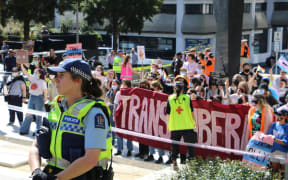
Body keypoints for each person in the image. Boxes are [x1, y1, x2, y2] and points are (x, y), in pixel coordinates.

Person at [29, 58, 113, 180]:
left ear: (78, 80)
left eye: (61, 76)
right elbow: (35, 146)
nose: (55, 79)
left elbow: (90, 160)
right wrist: (36, 171)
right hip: (53, 174)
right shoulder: (55, 107)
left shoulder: (94, 113)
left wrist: (55, 179)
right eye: (56, 75)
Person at [166, 81, 197, 170]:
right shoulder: (187, 97)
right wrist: (194, 122)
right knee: (190, 146)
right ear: (183, 89)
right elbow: (191, 111)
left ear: (174, 88)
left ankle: (174, 162)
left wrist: (169, 125)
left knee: (174, 146)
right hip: (187, 125)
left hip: (175, 126)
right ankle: (191, 165)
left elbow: (168, 113)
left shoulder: (170, 98)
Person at [20, 64, 47, 135]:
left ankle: (38, 131)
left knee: (38, 116)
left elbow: (45, 92)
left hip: (39, 98)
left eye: (36, 72)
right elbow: (25, 72)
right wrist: (22, 65)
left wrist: (45, 100)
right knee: (28, 114)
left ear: (40, 74)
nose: (34, 73)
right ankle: (24, 130)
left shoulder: (43, 82)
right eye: (34, 72)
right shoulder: (32, 78)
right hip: (32, 97)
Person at [114, 79, 133, 157]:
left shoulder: (132, 93)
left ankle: (129, 150)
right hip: (120, 116)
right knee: (119, 133)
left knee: (129, 134)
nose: (122, 86)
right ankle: (119, 149)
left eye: (124, 84)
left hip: (128, 116)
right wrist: (114, 115)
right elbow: (116, 105)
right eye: (122, 84)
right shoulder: (118, 93)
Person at [268, 105, 288, 173]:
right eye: (278, 115)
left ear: (285, 116)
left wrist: (274, 139)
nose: (278, 117)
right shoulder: (274, 124)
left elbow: (285, 142)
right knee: (274, 171)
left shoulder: (287, 127)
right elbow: (269, 136)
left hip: (284, 152)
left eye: (280, 115)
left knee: (284, 172)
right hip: (274, 151)